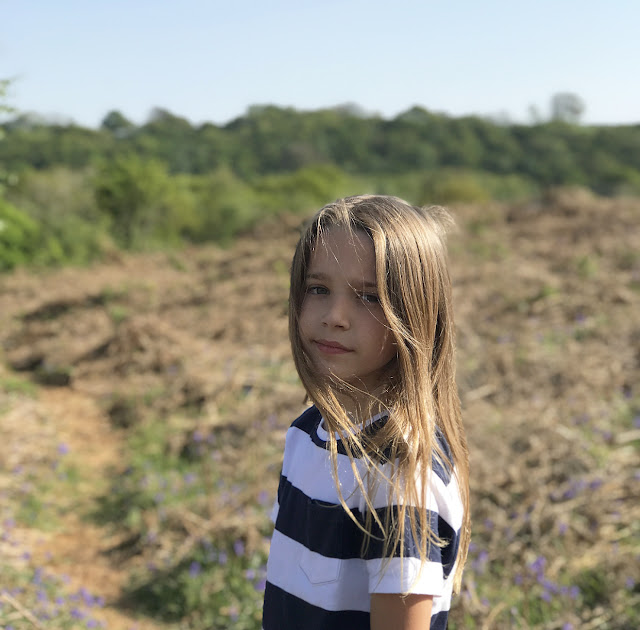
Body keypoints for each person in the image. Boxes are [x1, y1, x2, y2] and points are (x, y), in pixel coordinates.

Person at [262, 195, 470, 630]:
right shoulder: (307, 433)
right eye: (318, 289)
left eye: (370, 297)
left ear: (417, 315)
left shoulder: (401, 475)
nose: (335, 316)